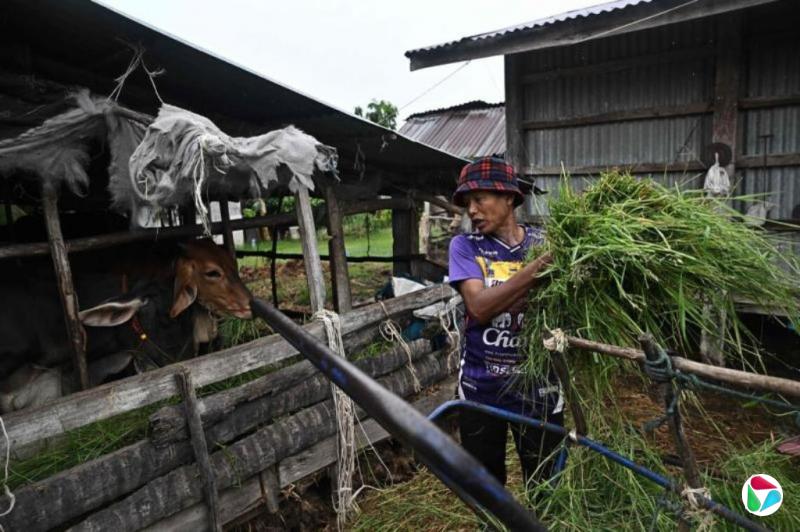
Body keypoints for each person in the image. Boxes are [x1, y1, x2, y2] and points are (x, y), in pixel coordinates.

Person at [448, 156, 564, 491]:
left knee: (547, 489)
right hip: (482, 390)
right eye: (468, 202)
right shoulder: (465, 247)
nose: (472, 210)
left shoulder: (544, 242)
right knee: (488, 493)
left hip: (540, 390)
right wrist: (538, 269)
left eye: (480, 199)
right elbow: (479, 307)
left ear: (509, 198)